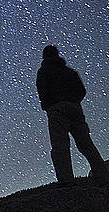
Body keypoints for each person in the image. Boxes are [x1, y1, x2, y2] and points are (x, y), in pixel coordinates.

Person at [36, 45, 108, 185]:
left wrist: (48, 105)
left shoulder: (43, 71)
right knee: (86, 143)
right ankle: (103, 176)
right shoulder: (70, 72)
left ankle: (66, 181)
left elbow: (42, 90)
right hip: (75, 108)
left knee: (60, 146)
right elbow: (81, 90)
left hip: (56, 108)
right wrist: (74, 101)